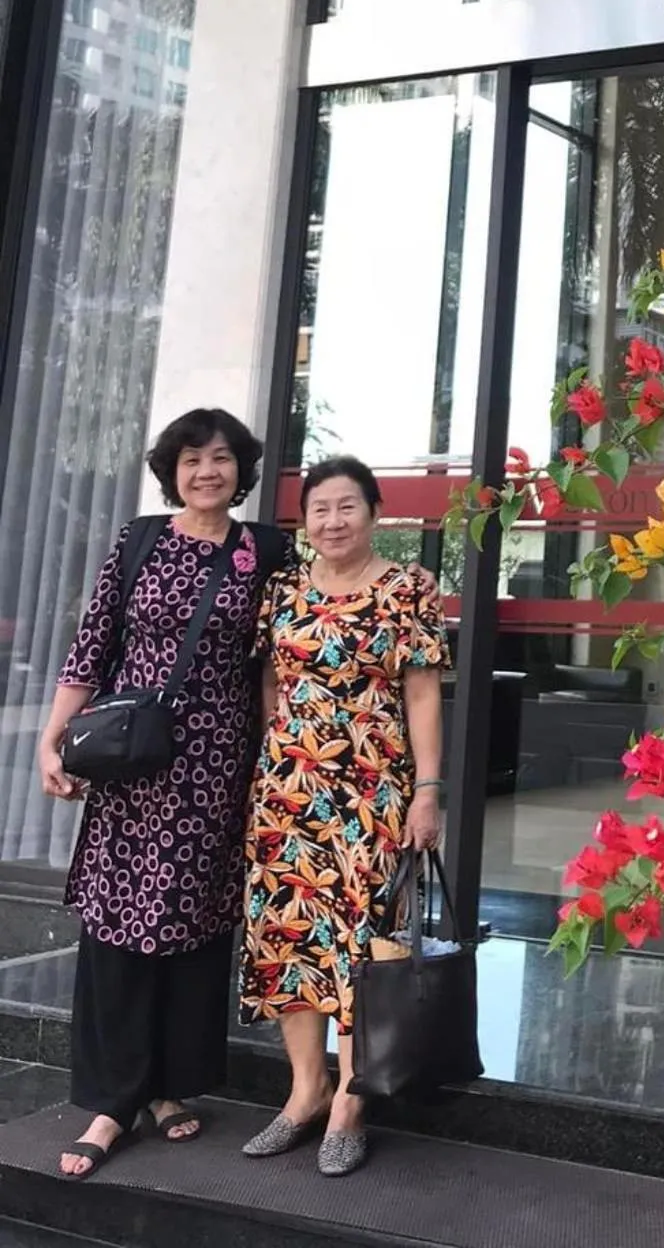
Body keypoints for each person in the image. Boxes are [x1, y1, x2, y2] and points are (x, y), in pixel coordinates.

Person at [38, 409, 289, 1180]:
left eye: (220, 458)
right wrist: (53, 738)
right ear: (172, 472)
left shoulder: (265, 551)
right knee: (121, 916)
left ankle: (169, 1086)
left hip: (215, 764)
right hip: (131, 759)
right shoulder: (141, 540)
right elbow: (92, 644)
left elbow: (273, 664)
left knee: (190, 918)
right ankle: (113, 1101)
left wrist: (276, 762)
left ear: (240, 470)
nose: (207, 471)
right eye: (191, 459)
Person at [240, 455, 447, 1177]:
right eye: (319, 509)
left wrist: (428, 790)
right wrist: (280, 757)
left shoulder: (405, 591)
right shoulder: (282, 589)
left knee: (362, 944)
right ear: (305, 520)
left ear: (375, 512)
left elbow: (422, 693)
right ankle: (306, 1091)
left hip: (371, 793)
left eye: (347, 506)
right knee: (291, 940)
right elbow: (272, 682)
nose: (333, 521)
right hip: (287, 795)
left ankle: (351, 1104)